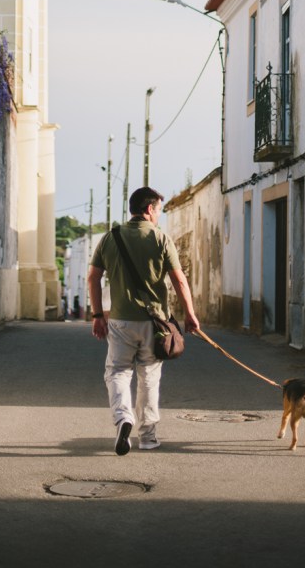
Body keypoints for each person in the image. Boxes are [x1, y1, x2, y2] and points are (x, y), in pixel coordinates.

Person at [87, 186, 199, 456]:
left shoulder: (110, 238)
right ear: (149, 209)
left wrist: (97, 315)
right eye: (159, 210)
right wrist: (190, 315)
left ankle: (123, 417)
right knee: (149, 376)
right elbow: (179, 280)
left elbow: (93, 277)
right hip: (155, 323)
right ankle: (148, 437)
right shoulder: (161, 239)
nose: (159, 215)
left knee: (117, 372)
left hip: (121, 321)